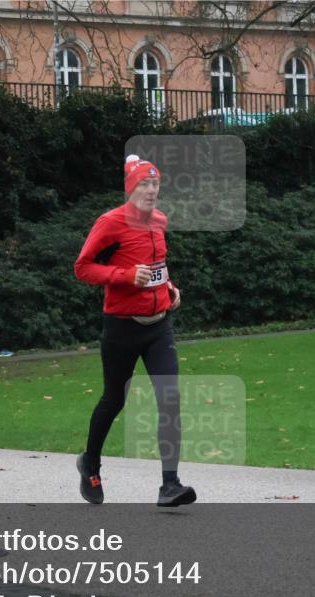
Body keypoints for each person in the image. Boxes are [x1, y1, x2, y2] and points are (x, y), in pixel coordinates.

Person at [73, 154, 195, 507]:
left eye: (156, 184)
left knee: (170, 401)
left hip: (159, 327)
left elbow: (158, 266)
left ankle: (169, 485)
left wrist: (169, 289)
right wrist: (125, 276)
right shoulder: (110, 223)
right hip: (122, 328)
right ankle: (90, 465)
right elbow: (83, 267)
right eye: (144, 183)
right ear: (131, 187)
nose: (152, 190)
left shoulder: (159, 221)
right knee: (114, 400)